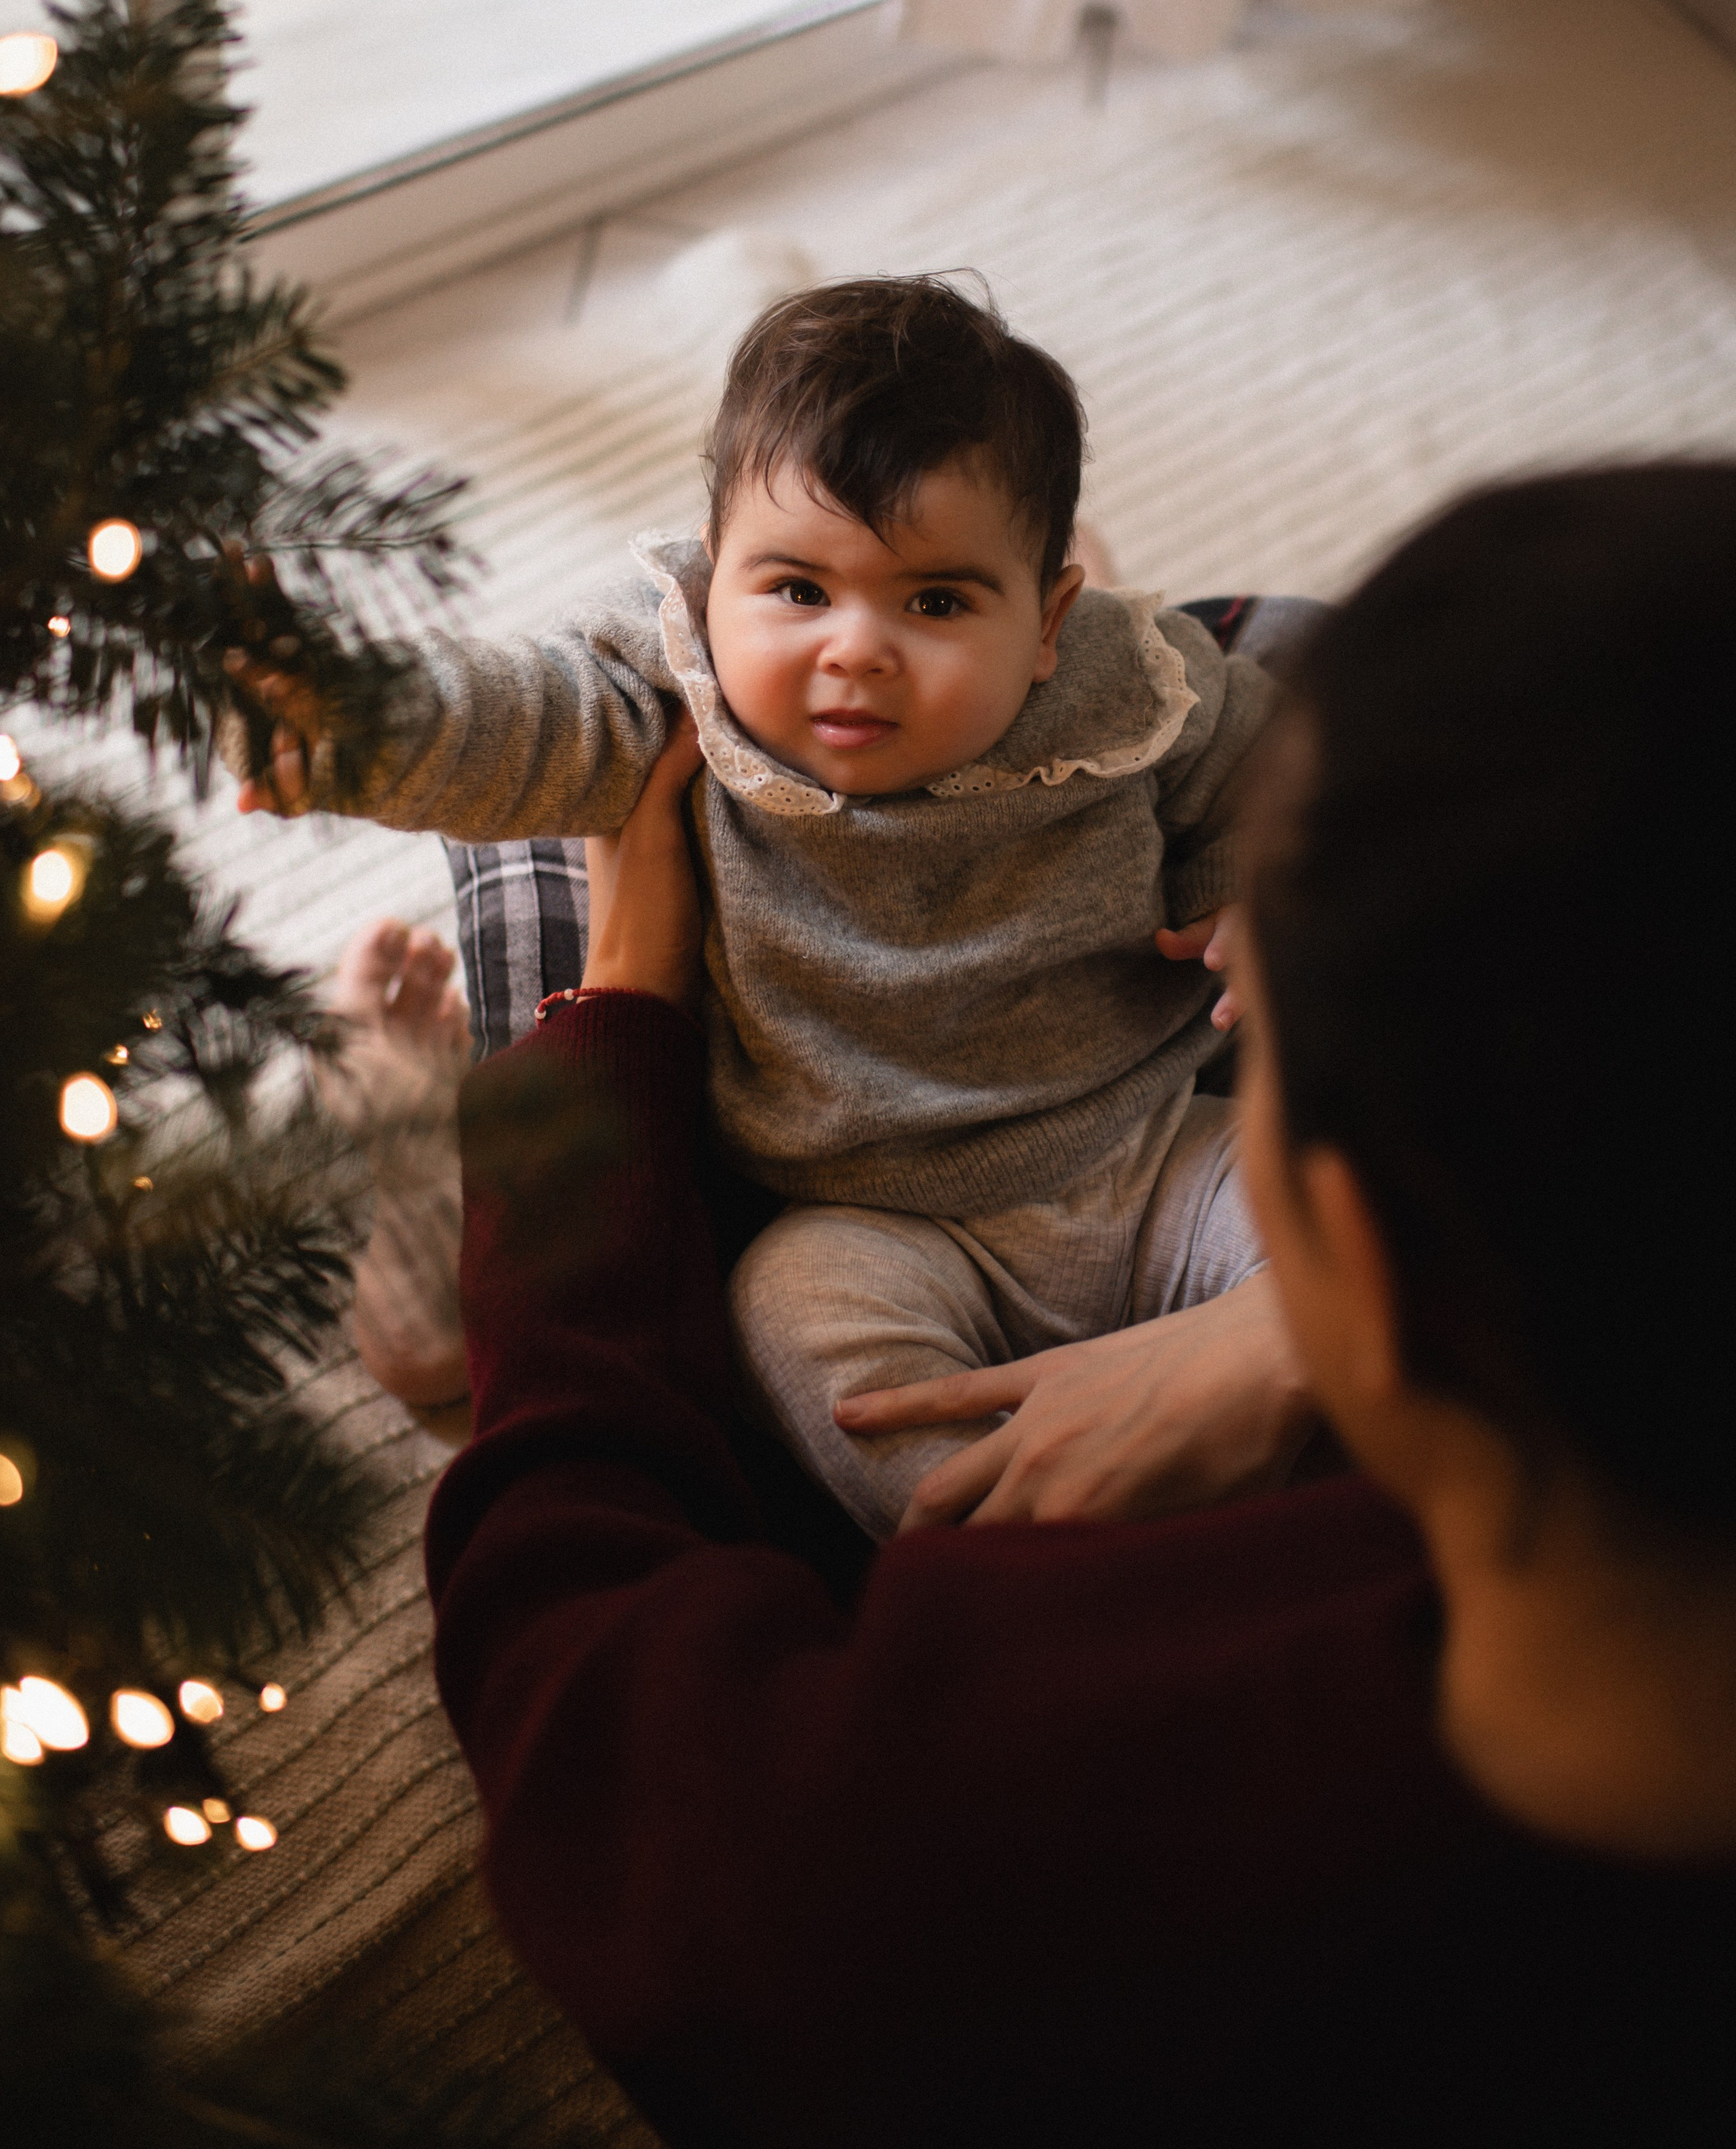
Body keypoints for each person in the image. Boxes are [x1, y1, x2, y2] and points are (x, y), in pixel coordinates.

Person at [425, 463, 1736, 2146]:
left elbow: (571, 1668)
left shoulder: (940, 1834)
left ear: (1360, 1245)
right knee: (1274, 650)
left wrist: (612, 1035)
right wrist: (1267, 1334)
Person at [227, 276, 1276, 1536]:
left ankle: (1253, 1460)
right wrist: (344, 719)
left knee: (1361, 1218)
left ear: (1052, 621)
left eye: (937, 601)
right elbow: (516, 717)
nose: (855, 649)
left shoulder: (1130, 681)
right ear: (710, 577)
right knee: (788, 1323)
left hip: (1153, 1150)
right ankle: (1014, 1543)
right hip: (864, 1218)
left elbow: (1263, 762)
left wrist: (1258, 894)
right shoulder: (677, 681)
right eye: (796, 590)